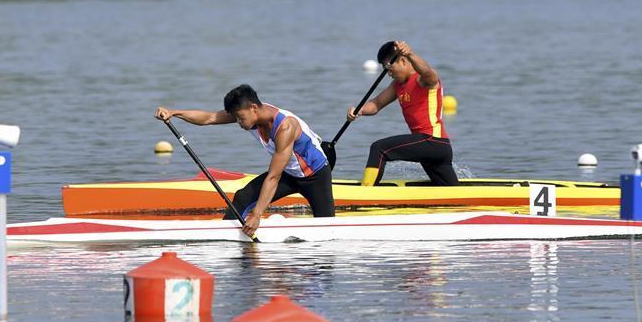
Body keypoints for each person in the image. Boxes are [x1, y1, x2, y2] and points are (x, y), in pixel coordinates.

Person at [155, 84, 334, 237]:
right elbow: (209, 118)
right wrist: (173, 112)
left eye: (240, 118)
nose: (239, 123)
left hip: (315, 175)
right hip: (289, 173)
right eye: (236, 118)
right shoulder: (249, 113)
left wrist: (257, 214)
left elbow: (273, 177)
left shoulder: (285, 127)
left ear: (254, 108)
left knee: (326, 229)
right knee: (243, 196)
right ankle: (225, 238)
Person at [346, 40, 458, 187]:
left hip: (432, 141)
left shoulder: (422, 79)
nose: (389, 73)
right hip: (430, 147)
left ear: (404, 61)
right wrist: (359, 110)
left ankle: (365, 191)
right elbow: (376, 104)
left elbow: (429, 73)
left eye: (389, 67)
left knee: (379, 148)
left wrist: (410, 53)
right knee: (449, 190)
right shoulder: (397, 86)